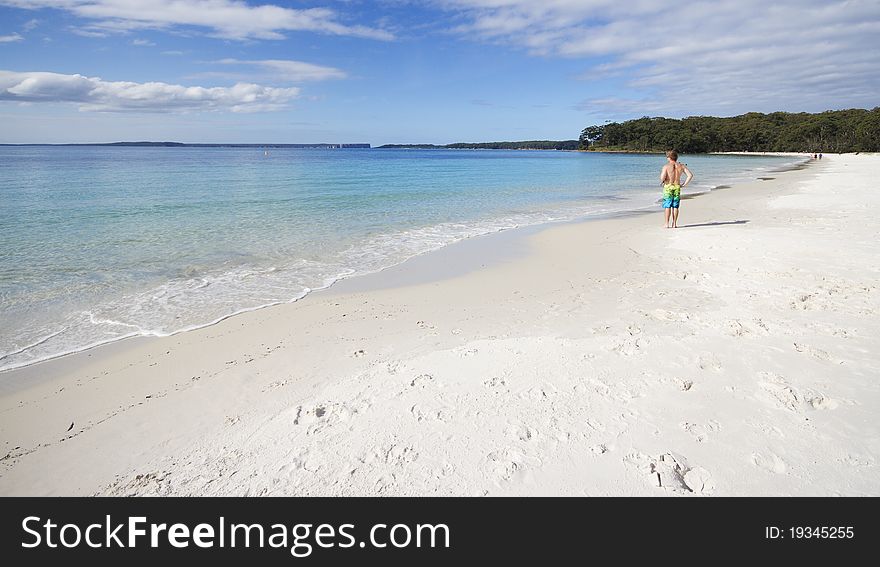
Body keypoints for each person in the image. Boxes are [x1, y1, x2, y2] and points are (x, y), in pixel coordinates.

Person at [660, 150, 693, 228]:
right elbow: (690, 175)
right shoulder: (681, 166)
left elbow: (662, 178)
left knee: (667, 206)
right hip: (677, 186)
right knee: (675, 206)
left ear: (669, 157)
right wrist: (684, 184)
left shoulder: (666, 166)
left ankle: (666, 223)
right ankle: (674, 223)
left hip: (668, 186)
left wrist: (664, 180)